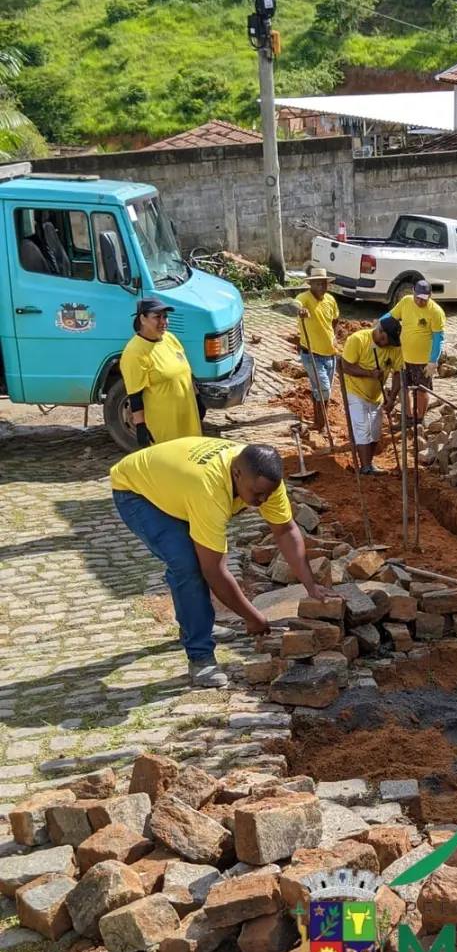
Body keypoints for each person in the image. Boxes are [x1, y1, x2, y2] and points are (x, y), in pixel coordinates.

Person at [110, 437, 335, 688]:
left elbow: (284, 531)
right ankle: (200, 657)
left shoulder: (265, 478)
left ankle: (197, 622)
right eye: (257, 494)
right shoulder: (209, 489)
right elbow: (214, 570)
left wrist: (310, 585)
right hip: (138, 493)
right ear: (236, 474)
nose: (263, 500)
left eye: (268, 494)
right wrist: (252, 617)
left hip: (176, 484)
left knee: (194, 559)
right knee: (188, 566)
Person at [120, 297, 202, 449]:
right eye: (157, 317)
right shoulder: (135, 352)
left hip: (188, 419)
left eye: (165, 316)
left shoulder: (170, 338)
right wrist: (140, 426)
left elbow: (185, 372)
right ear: (142, 319)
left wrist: (198, 399)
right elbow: (135, 395)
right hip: (164, 426)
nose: (163, 322)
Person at [339, 317, 404, 474]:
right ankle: (366, 467)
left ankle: (369, 463)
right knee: (362, 428)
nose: (389, 344)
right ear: (380, 331)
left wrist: (392, 397)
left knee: (375, 431)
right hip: (355, 391)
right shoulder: (358, 340)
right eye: (387, 339)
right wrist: (369, 373)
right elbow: (345, 366)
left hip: (376, 395)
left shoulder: (394, 347)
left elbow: (397, 373)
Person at [380, 278, 445, 424]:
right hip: (404, 358)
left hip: (423, 361)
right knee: (404, 388)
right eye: (418, 298)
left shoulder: (435, 312)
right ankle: (408, 417)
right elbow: (392, 316)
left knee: (422, 391)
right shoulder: (406, 302)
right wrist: (380, 323)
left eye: (424, 299)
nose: (420, 302)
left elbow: (438, 338)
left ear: (429, 296)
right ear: (413, 292)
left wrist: (433, 360)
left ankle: (419, 418)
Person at [297, 267, 341, 434]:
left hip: (330, 354)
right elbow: (295, 304)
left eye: (324, 283)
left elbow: (335, 319)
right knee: (324, 390)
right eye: (317, 284)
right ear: (311, 284)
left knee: (321, 391)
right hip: (312, 354)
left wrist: (333, 336)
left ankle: (319, 422)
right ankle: (322, 425)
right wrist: (300, 311)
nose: (322, 287)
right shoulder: (305, 298)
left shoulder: (330, 300)